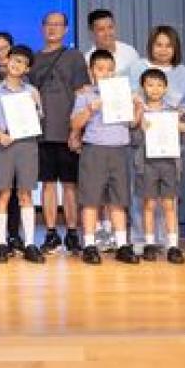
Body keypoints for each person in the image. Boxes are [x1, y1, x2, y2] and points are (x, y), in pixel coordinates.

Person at [127, 25, 185, 253]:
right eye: (159, 44)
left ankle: (169, 241)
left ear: (175, 48)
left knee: (168, 197)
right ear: (151, 45)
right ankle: (142, 239)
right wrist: (138, 113)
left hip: (170, 146)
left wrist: (180, 117)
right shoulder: (138, 67)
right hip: (143, 146)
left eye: (168, 45)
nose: (163, 49)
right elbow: (128, 99)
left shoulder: (182, 72)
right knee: (143, 195)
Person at [70, 49, 141, 266]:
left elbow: (132, 123)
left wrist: (138, 107)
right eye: (100, 69)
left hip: (119, 149)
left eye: (110, 69)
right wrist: (90, 109)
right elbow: (75, 124)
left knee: (119, 199)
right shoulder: (85, 96)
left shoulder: (123, 94)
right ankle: (89, 244)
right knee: (90, 199)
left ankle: (122, 244)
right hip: (95, 150)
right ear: (91, 71)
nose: (106, 73)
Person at [31, 12, 89, 255]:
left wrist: (77, 130)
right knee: (47, 185)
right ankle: (51, 233)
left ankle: (73, 233)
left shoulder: (74, 56)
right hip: (42, 132)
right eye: (48, 24)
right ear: (42, 27)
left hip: (68, 131)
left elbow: (83, 93)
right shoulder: (33, 59)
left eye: (58, 25)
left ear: (66, 29)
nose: (52, 28)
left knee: (70, 185)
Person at [0, 44, 45, 263]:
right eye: (14, 59)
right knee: (3, 194)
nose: (16, 64)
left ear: (27, 69)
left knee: (25, 194)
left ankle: (29, 243)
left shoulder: (32, 92)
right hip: (3, 146)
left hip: (27, 145)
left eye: (22, 62)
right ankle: (1, 243)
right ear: (7, 60)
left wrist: (34, 107)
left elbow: (38, 120)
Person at [132, 68, 185, 264]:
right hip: (146, 164)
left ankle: (172, 245)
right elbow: (133, 140)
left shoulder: (173, 112)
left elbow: (184, 135)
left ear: (165, 88)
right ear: (143, 87)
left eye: (159, 85)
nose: (154, 89)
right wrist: (140, 127)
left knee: (169, 204)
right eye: (150, 85)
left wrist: (180, 127)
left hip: (169, 164)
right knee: (149, 204)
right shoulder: (140, 112)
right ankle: (149, 243)